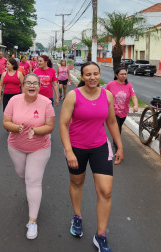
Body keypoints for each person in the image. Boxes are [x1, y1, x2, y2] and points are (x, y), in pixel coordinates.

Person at [59, 62, 123, 252]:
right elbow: (63, 125)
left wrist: (119, 145)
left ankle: (100, 235)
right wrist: (69, 151)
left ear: (100, 75)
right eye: (88, 74)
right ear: (82, 76)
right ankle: (77, 217)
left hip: (100, 147)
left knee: (105, 191)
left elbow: (111, 121)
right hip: (76, 148)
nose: (92, 77)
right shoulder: (73, 96)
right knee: (77, 183)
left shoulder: (107, 95)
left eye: (95, 74)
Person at [3, 73, 55, 239]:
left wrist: (36, 131)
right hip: (16, 146)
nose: (32, 86)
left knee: (33, 180)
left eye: (35, 83)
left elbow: (50, 126)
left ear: (39, 86)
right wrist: (15, 127)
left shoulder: (46, 102)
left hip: (39, 147)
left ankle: (32, 222)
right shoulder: (13, 101)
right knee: (23, 176)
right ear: (23, 85)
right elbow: (5, 122)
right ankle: (32, 194)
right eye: (28, 83)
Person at [105, 67, 138, 152]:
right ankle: (117, 148)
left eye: (125, 74)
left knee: (119, 127)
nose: (124, 76)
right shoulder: (111, 84)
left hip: (124, 111)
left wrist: (135, 105)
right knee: (117, 128)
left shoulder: (129, 85)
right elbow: (104, 95)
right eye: (121, 74)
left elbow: (133, 96)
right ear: (116, 75)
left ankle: (115, 141)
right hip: (113, 111)